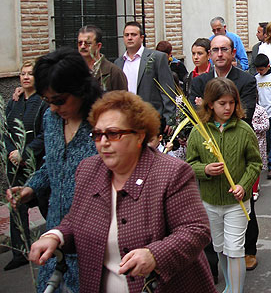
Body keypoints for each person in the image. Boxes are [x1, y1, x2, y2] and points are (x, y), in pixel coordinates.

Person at [28, 90, 216, 292]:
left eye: (113, 134)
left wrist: (155, 255)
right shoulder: (88, 170)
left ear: (139, 136)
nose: (103, 142)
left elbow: (196, 230)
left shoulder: (171, 172)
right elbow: (77, 219)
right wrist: (56, 236)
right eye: (98, 134)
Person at [6, 48, 101, 292]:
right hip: (55, 232)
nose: (54, 107)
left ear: (80, 89)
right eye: (47, 101)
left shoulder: (104, 124)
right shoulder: (50, 118)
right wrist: (30, 188)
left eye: (59, 100)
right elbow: (53, 163)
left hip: (94, 236)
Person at [185, 34, 259, 271]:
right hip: (211, 179)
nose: (219, 54)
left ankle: (249, 250)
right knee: (214, 230)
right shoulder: (199, 80)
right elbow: (194, 111)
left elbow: (245, 112)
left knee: (244, 213)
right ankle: (214, 263)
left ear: (232, 52)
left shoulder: (245, 80)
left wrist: (226, 116)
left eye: (224, 49)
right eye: (214, 50)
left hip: (236, 152)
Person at [3, 61, 46, 271]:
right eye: (23, 74)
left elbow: (44, 134)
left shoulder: (43, 103)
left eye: (30, 74)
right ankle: (20, 252)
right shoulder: (15, 101)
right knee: (17, 207)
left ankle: (54, 244)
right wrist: (12, 151)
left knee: (45, 203)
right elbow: (7, 127)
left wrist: (25, 152)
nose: (26, 77)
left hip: (36, 163)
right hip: (15, 164)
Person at [114, 21, 176, 133]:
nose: (129, 38)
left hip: (151, 118)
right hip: (126, 120)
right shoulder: (118, 63)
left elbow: (167, 88)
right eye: (126, 35)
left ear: (141, 37)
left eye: (133, 35)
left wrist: (170, 117)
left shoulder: (157, 58)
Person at [77, 25, 127, 92]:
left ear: (98, 46)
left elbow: (123, 100)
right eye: (80, 43)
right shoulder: (72, 70)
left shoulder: (114, 72)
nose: (83, 46)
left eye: (87, 43)